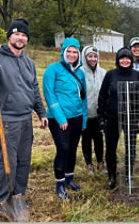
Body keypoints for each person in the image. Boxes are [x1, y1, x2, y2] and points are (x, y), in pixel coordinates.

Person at [0, 18, 48, 212]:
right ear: (10, 36)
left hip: (25, 119)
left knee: (23, 159)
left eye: (24, 35)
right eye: (17, 34)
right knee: (6, 160)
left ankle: (17, 195)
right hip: (6, 119)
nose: (20, 38)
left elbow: (34, 89)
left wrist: (41, 112)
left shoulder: (28, 62)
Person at [43, 37, 87, 199]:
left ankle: (69, 179)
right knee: (63, 149)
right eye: (69, 51)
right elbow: (49, 94)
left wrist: (83, 120)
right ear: (63, 52)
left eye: (75, 52)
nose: (72, 54)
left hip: (76, 117)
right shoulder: (52, 69)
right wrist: (61, 118)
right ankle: (60, 184)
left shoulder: (80, 73)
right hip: (58, 118)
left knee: (73, 148)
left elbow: (84, 98)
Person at [98, 47, 139, 190]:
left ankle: (128, 175)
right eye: (122, 58)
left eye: (128, 58)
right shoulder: (110, 75)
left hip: (132, 118)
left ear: (131, 60)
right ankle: (112, 177)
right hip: (112, 118)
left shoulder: (137, 75)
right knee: (111, 148)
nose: (125, 60)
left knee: (130, 147)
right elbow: (102, 97)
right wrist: (101, 117)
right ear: (117, 60)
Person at [80, 46, 107, 175]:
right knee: (86, 139)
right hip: (85, 114)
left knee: (99, 139)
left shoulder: (103, 73)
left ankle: (100, 162)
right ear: (84, 57)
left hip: (99, 114)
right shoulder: (79, 72)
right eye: (90, 56)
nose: (93, 59)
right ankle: (88, 164)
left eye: (95, 56)